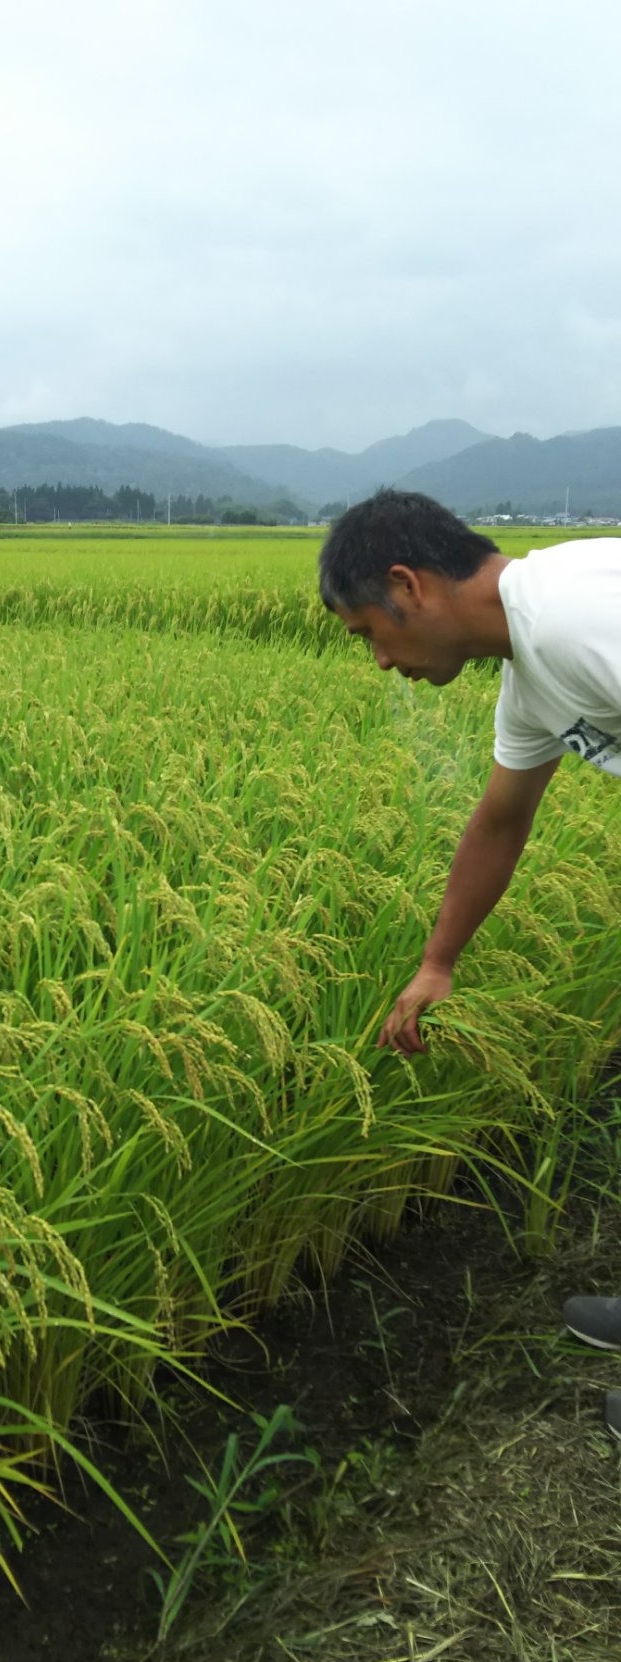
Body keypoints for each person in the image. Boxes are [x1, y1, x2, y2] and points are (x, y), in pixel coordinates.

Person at [319, 489, 621, 1437]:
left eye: (372, 629)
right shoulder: (534, 667)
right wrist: (437, 963)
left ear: (410, 585)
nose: (379, 659)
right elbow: (501, 818)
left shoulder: (577, 621)